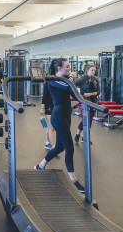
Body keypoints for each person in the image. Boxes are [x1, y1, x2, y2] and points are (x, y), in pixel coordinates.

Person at [34, 58, 86, 193]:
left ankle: (41, 165)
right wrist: (43, 107)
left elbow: (75, 95)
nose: (69, 68)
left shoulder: (66, 80)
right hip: (57, 116)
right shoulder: (52, 80)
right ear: (59, 68)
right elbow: (64, 89)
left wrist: (71, 80)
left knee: (59, 147)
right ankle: (73, 180)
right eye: (67, 67)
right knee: (69, 147)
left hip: (66, 115)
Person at [73, 64, 100, 145]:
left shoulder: (95, 80)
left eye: (94, 70)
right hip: (84, 103)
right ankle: (78, 134)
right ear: (87, 70)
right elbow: (73, 86)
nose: (93, 72)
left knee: (90, 121)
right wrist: (79, 96)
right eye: (92, 70)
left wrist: (90, 94)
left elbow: (98, 92)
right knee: (86, 120)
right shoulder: (81, 79)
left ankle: (84, 138)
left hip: (94, 102)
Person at [40, 73, 55, 151]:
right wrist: (42, 108)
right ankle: (53, 146)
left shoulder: (59, 80)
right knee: (51, 126)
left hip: (55, 105)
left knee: (50, 126)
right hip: (48, 106)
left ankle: (47, 143)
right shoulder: (48, 81)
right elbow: (44, 95)